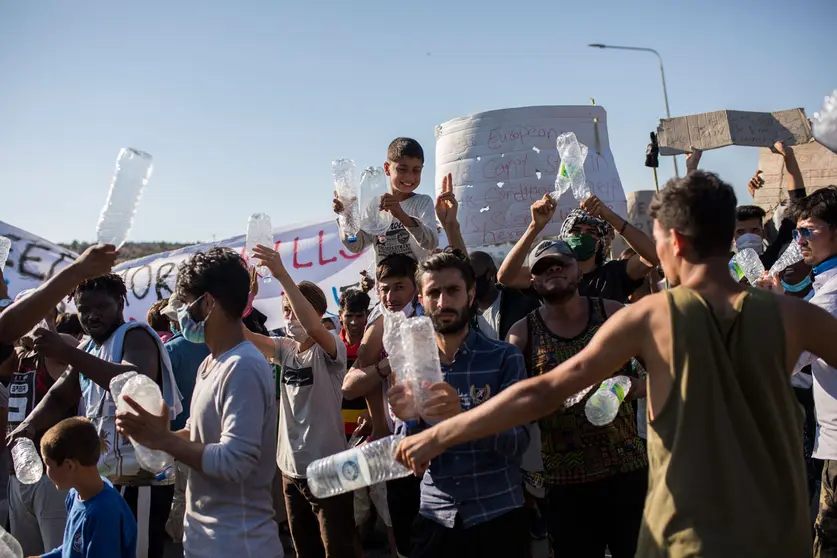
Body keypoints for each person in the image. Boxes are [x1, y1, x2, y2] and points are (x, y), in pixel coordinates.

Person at [396, 171, 837, 557]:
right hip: (780, 529)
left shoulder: (652, 317)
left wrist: (443, 432)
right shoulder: (796, 315)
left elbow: (544, 391)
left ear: (674, 242)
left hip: (686, 535)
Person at [115, 247, 282, 558]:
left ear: (207, 303)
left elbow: (235, 462)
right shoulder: (211, 364)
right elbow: (196, 435)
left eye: (183, 304)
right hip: (207, 541)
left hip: (239, 545)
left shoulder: (243, 365)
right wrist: (154, 437)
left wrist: (163, 439)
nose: (179, 314)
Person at [7, 273, 181, 558]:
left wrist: (67, 352)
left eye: (101, 307)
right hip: (105, 478)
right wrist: (27, 426)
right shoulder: (90, 347)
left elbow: (132, 380)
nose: (91, 316)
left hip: (142, 478)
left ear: (121, 303)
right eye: (84, 310)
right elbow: (60, 394)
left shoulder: (136, 336)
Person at [502, 238, 647, 556]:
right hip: (565, 484)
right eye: (543, 267)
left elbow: (663, 371)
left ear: (578, 272)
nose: (553, 270)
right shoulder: (522, 332)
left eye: (561, 264)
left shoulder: (612, 313)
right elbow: (511, 400)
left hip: (627, 473)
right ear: (533, 281)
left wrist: (634, 387)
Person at [386, 249, 529, 558]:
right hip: (436, 518)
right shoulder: (409, 368)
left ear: (471, 293)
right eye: (433, 293)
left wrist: (462, 416)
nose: (442, 302)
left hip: (497, 515)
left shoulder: (504, 357)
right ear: (421, 300)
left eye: (452, 290)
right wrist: (410, 428)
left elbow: (518, 442)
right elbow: (409, 459)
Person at [244, 244, 353, 558]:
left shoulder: (331, 349)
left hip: (328, 471)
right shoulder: (284, 348)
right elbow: (240, 333)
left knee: (338, 550)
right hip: (290, 473)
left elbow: (315, 328)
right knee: (304, 551)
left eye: (296, 308)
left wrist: (281, 275)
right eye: (286, 309)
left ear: (316, 311)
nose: (290, 315)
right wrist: (247, 300)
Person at [1, 301, 78, 557]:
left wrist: (45, 320)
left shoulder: (59, 349)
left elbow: (66, 351)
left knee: (56, 551)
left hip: (51, 474)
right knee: (25, 552)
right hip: (19, 471)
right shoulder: (17, 356)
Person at [497, 194, 659, 303]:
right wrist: (535, 227)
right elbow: (506, 277)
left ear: (600, 242)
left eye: (591, 232)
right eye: (576, 230)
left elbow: (653, 257)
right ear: (564, 237)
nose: (582, 235)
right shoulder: (551, 274)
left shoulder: (614, 274)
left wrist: (609, 216)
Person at [39, 417, 137, 558]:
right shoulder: (75, 495)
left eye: (48, 465)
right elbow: (71, 549)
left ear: (69, 465)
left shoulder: (104, 514)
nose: (46, 471)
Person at [334, 137, 439, 263]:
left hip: (415, 281)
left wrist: (402, 215)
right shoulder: (375, 205)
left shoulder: (422, 202)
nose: (409, 176)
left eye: (416, 170)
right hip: (386, 282)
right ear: (387, 168)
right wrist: (346, 215)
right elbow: (355, 245)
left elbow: (431, 243)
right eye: (402, 169)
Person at [737, 141, 806, 269]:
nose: (748, 237)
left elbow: (797, 201)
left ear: (764, 233)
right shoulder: (722, 268)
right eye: (741, 232)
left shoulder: (776, 258)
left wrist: (788, 157)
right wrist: (691, 167)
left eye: (755, 230)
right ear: (732, 237)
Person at [469, 251, 540, 341]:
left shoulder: (522, 305)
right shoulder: (465, 314)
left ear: (490, 273)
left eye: (474, 278)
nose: (470, 284)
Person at [337, 289, 371, 436]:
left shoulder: (376, 347)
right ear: (340, 316)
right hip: (336, 431)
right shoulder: (331, 347)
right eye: (349, 316)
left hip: (369, 429)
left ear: (367, 316)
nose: (354, 322)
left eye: (359, 316)